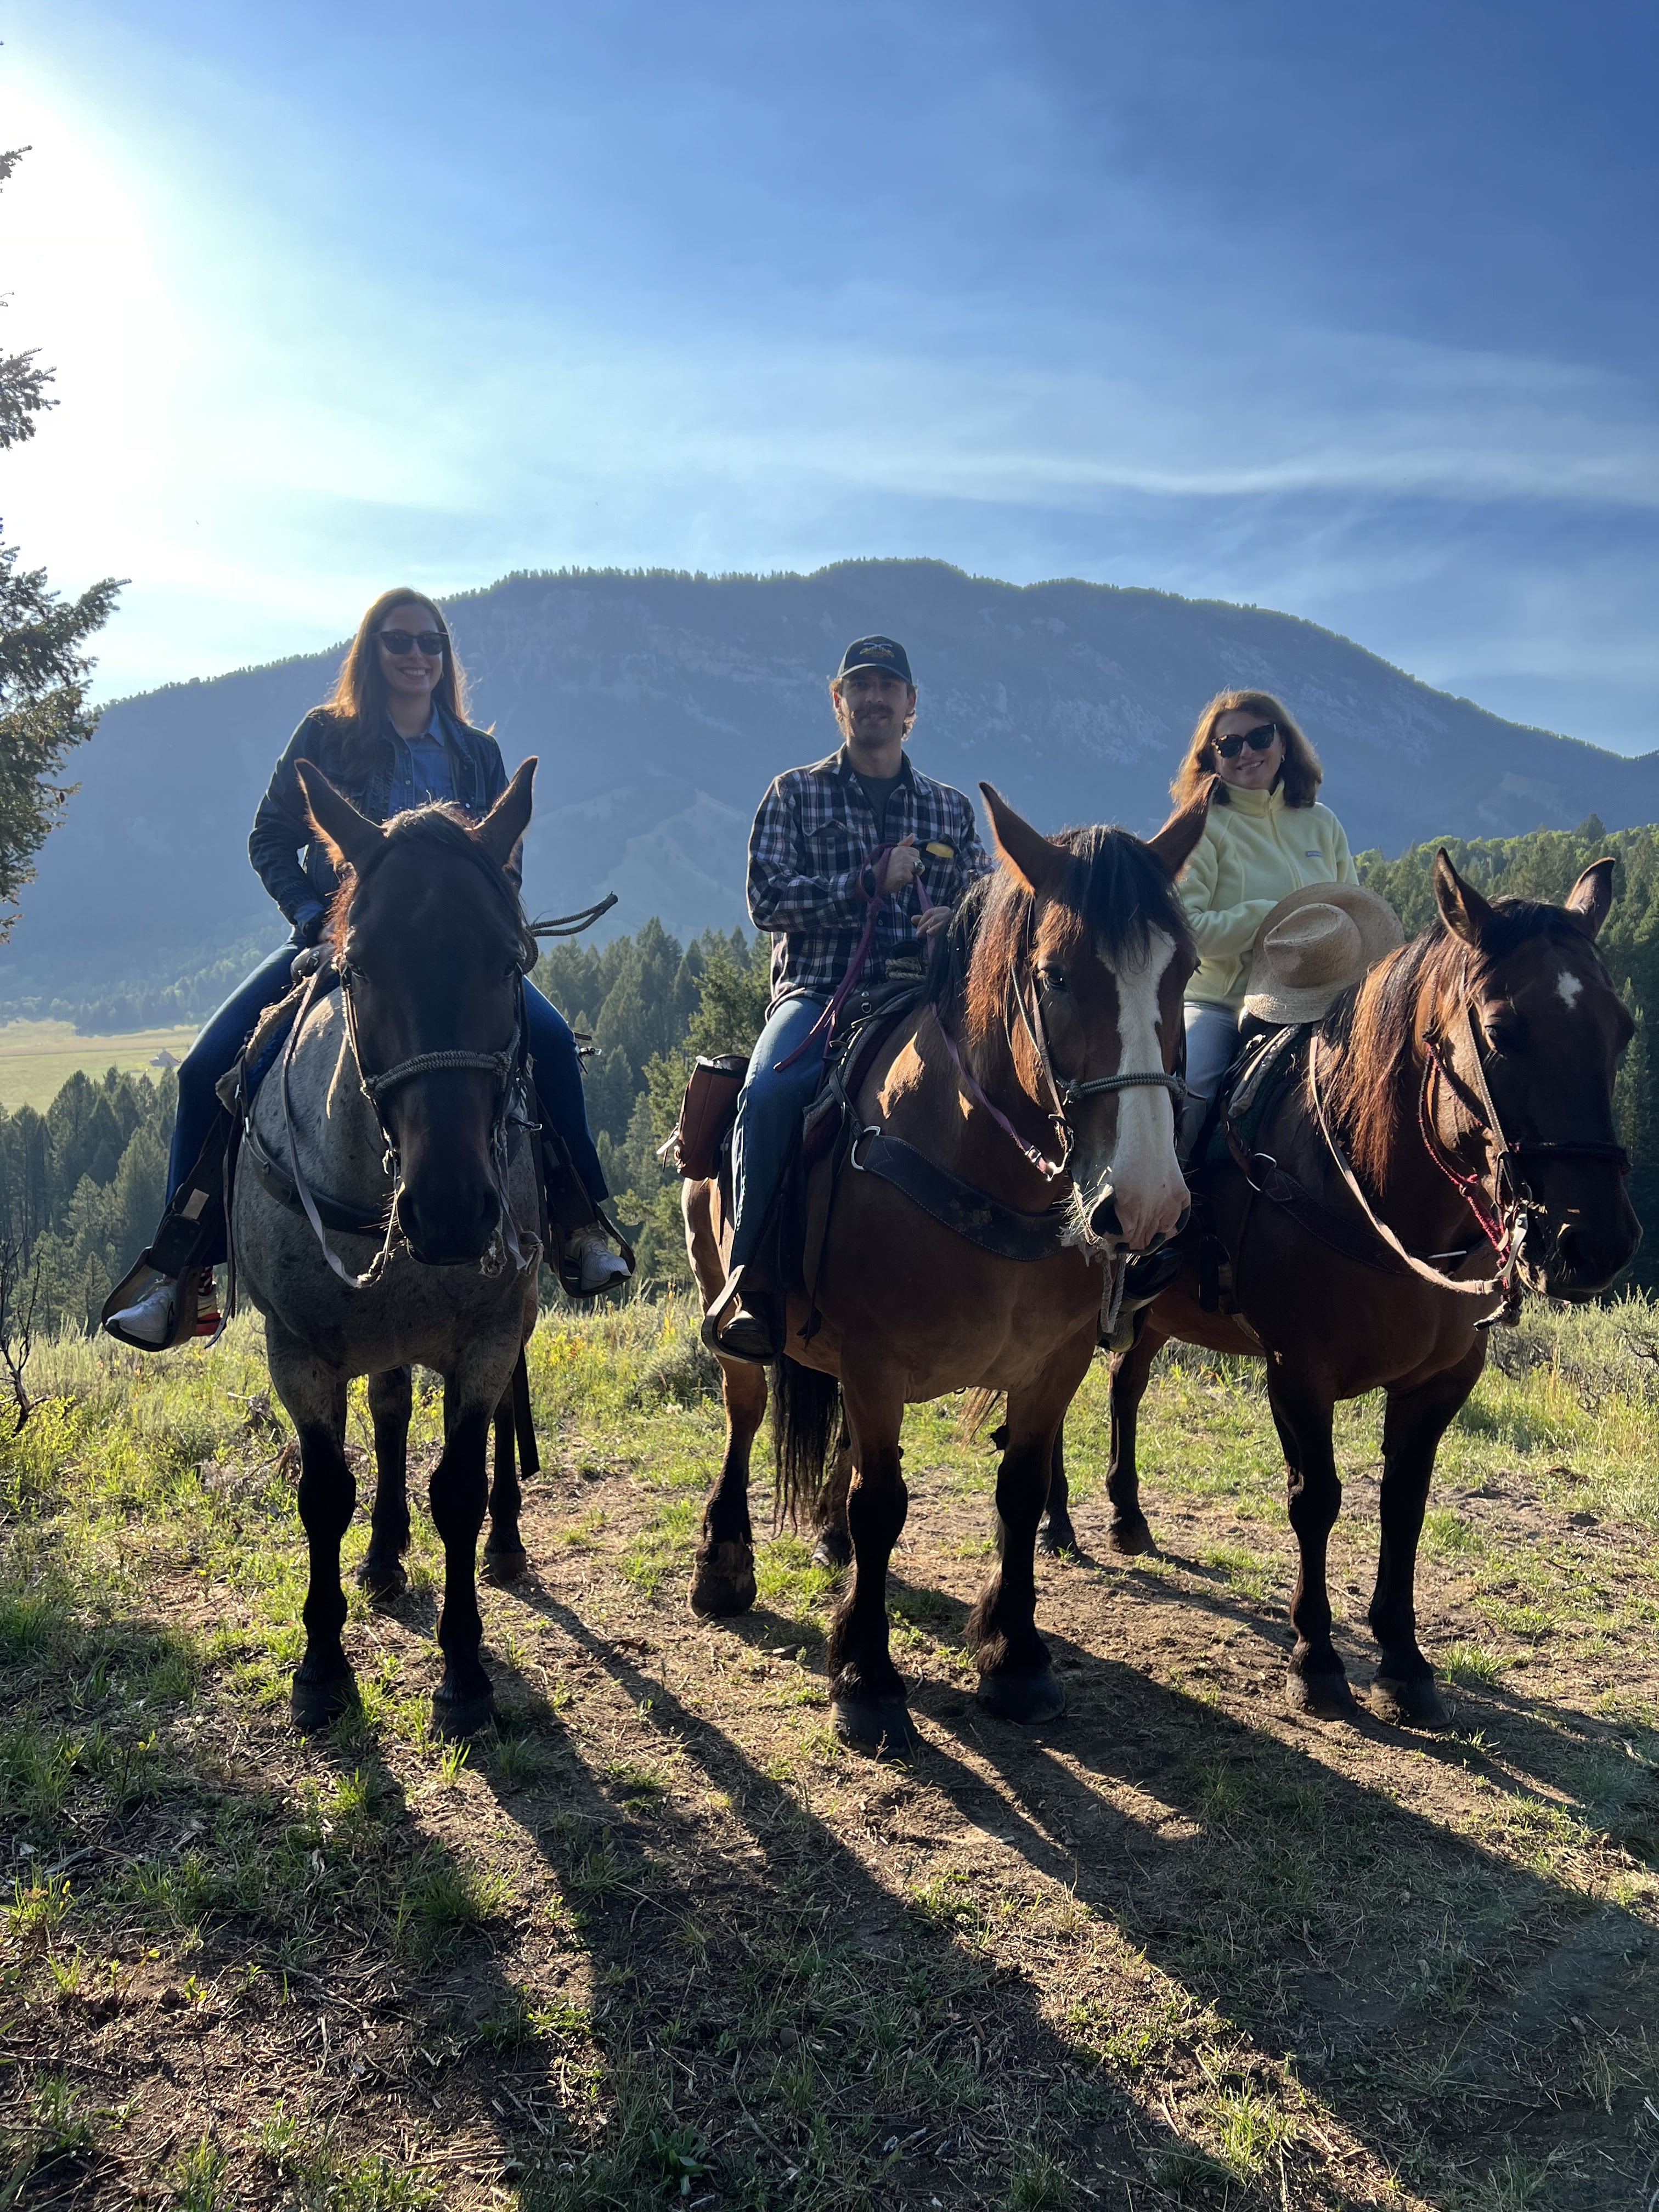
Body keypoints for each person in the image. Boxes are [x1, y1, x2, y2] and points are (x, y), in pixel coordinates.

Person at [106, 587, 627, 1347]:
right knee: (205, 1071)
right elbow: (269, 840)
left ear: (447, 657)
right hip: (342, 945)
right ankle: (182, 1271)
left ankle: (579, 1223)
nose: (417, 656)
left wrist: (487, 928)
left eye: (432, 643)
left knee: (547, 1044)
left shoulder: (476, 753)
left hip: (450, 963)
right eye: (399, 640)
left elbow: (500, 864)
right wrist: (314, 920)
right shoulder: (326, 736)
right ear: (371, 651)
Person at [713, 634, 994, 1362]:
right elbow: (765, 899)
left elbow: (990, 903)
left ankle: (1055, 1270)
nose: (874, 699)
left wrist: (956, 917)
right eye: (859, 687)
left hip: (928, 994)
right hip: (821, 994)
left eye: (888, 687)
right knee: (770, 1094)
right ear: (838, 702)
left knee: (1025, 1072)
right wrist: (865, 886)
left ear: (911, 707)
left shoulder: (950, 810)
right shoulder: (794, 794)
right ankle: (758, 1286)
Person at [1168, 689, 1358, 1155]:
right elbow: (1187, 932)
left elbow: (1355, 910)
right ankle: (1164, 1220)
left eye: (1259, 737)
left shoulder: (1323, 823)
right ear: (1212, 760)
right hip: (1221, 1006)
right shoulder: (1202, 826)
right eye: (1229, 746)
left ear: (1284, 743)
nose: (1247, 752)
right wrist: (1270, 917)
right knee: (1190, 1102)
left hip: (1325, 1000)